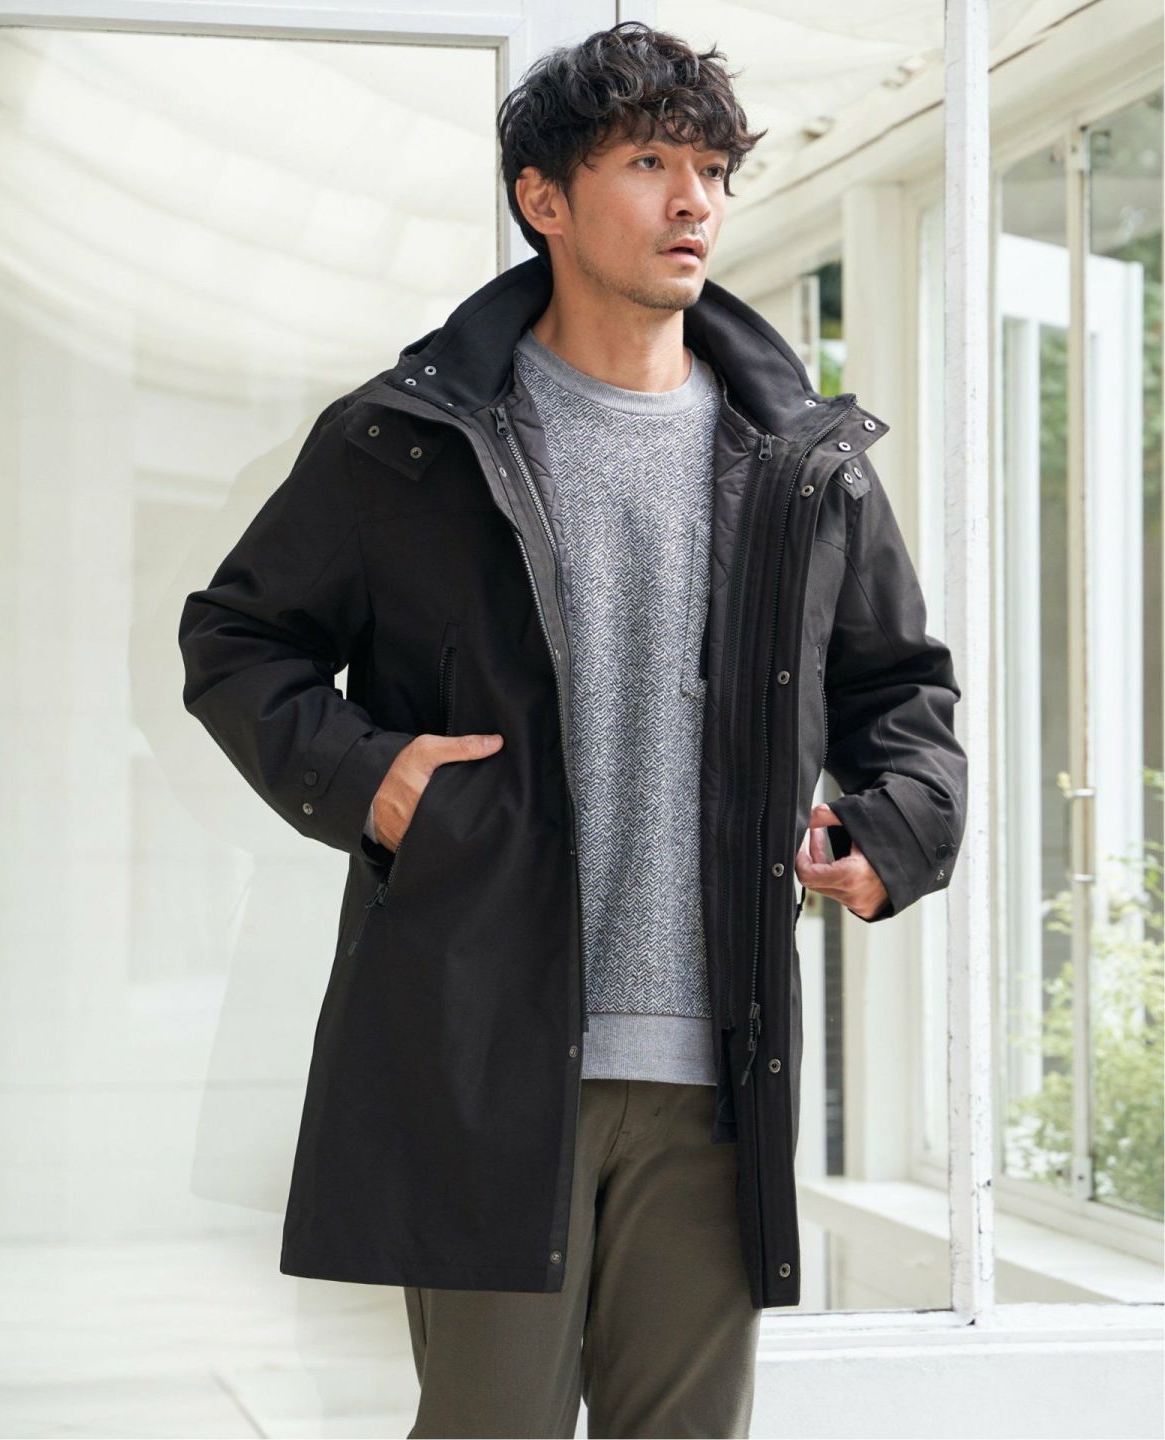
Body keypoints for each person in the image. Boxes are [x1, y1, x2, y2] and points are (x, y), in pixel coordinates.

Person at [178, 19, 967, 1439]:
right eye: (651, 164)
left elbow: (901, 690)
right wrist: (373, 779)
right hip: (486, 1054)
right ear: (542, 198)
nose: (695, 202)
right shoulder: (404, 444)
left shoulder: (802, 463)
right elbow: (237, 638)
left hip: (718, 1069)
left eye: (714, 170)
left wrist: (891, 829)